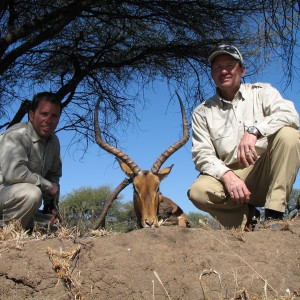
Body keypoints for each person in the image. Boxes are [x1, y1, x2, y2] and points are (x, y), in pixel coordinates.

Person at [188, 44, 300, 231]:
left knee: (290, 135)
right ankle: (248, 219)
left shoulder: (263, 92)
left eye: (230, 66)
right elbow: (202, 154)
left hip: (266, 170)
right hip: (232, 180)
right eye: (217, 68)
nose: (223, 71)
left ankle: (274, 214)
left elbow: (290, 115)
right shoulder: (202, 112)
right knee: (198, 192)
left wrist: (254, 130)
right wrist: (228, 176)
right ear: (212, 74)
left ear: (242, 70)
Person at [0, 92, 62, 230]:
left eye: (54, 116)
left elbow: (54, 176)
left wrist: (50, 205)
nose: (49, 120)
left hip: (15, 203)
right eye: (44, 114)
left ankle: (18, 227)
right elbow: (14, 174)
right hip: (5, 194)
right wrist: (48, 186)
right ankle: (7, 233)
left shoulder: (54, 141)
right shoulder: (16, 135)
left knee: (54, 226)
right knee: (32, 193)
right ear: (32, 115)